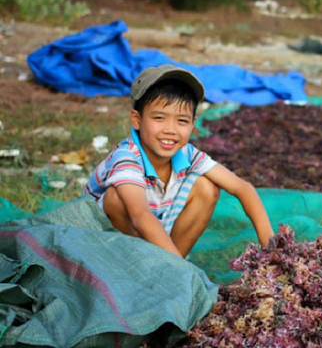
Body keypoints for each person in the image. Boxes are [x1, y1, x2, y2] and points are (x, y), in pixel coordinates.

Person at [84, 64, 274, 258]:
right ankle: (161, 268)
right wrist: (180, 270)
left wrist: (271, 248)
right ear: (137, 119)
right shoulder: (127, 158)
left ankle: (170, 267)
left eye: (181, 121)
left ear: (193, 124)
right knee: (116, 198)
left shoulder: (187, 153)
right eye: (159, 118)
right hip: (100, 246)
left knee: (206, 188)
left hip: (153, 233)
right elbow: (140, 216)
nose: (170, 130)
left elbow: (242, 188)